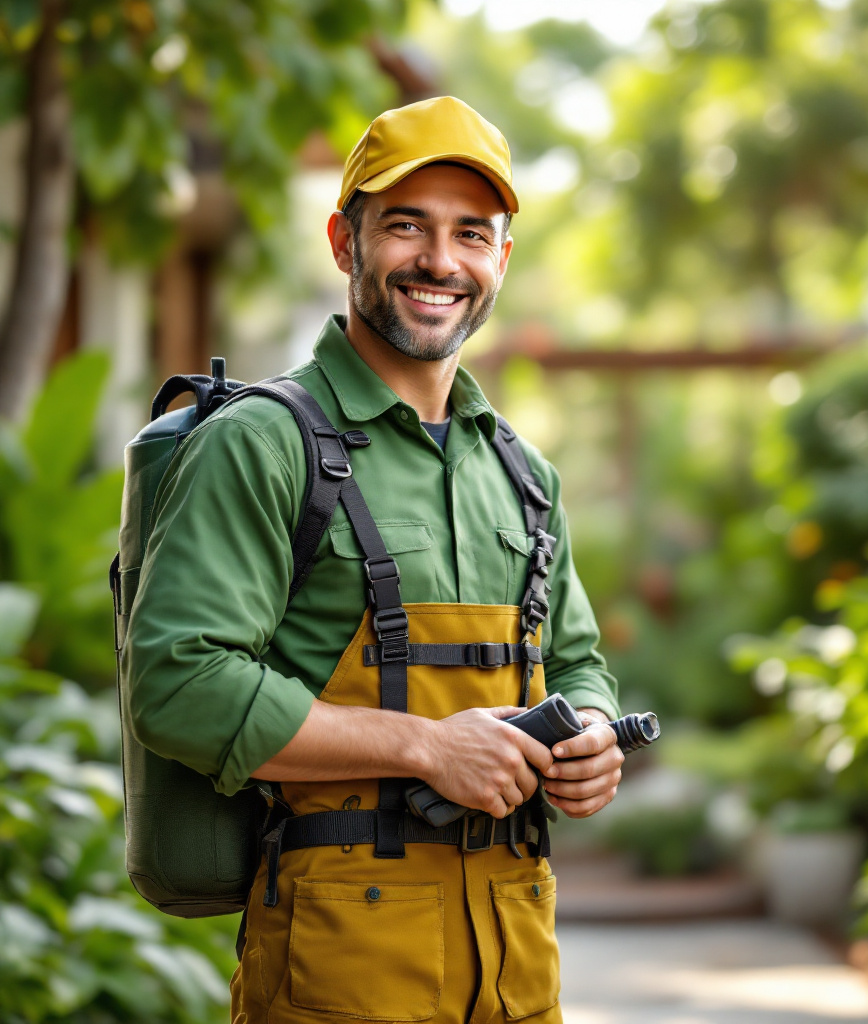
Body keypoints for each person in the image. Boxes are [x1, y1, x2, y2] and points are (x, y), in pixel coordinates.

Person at [124, 95, 622, 1024]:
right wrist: (429, 748)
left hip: (519, 974)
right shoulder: (262, 446)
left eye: (473, 234)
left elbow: (579, 660)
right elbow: (176, 679)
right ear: (345, 242)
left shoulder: (523, 472)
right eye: (406, 227)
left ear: (501, 259)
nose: (441, 261)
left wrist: (592, 733)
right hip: (337, 977)